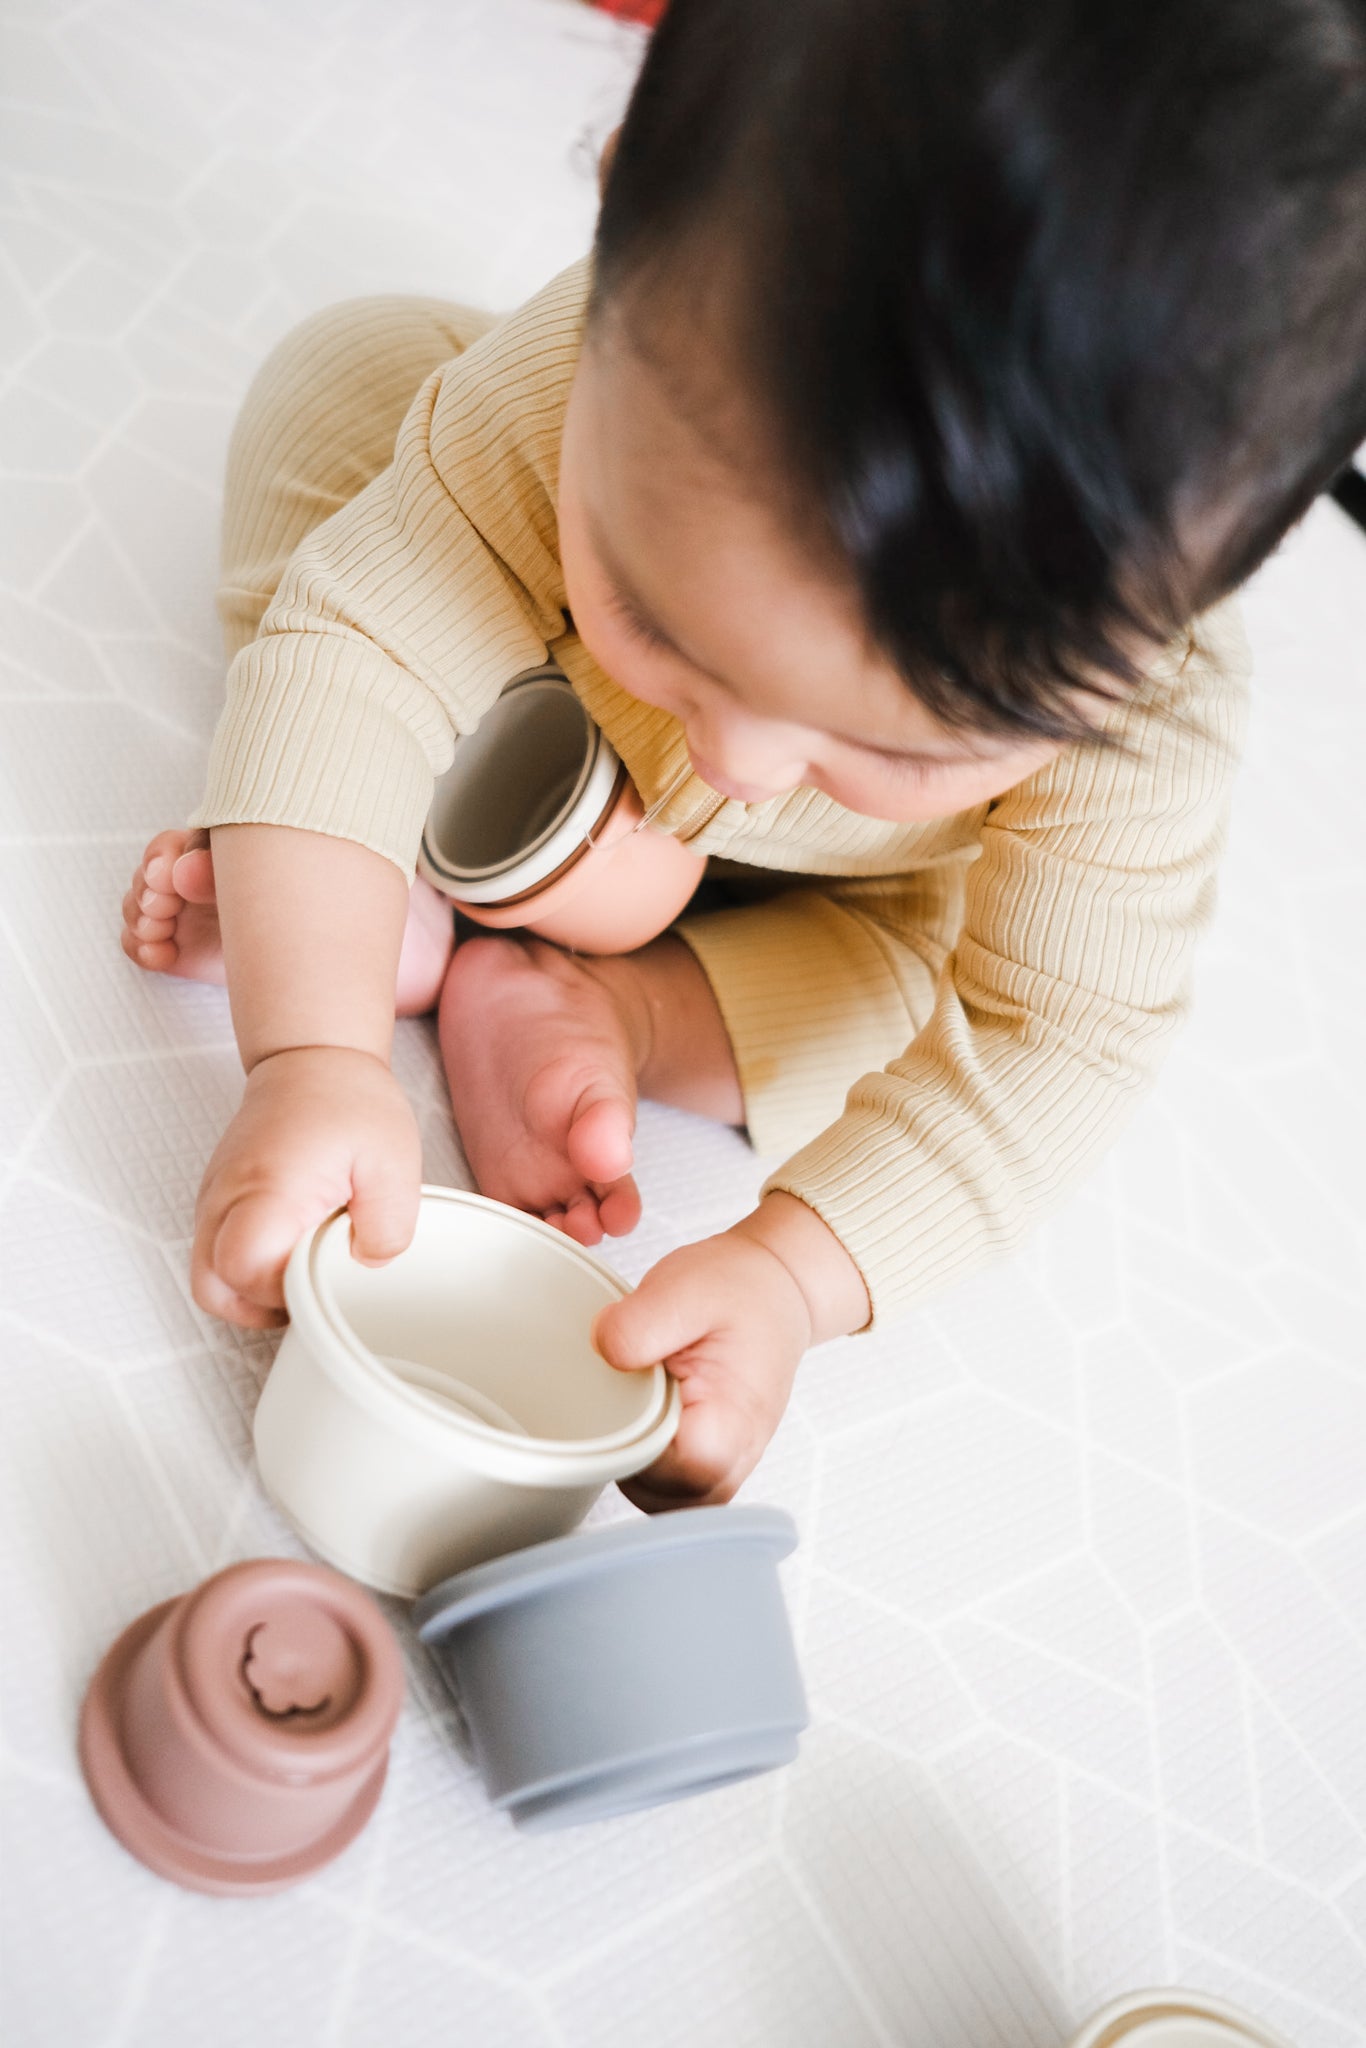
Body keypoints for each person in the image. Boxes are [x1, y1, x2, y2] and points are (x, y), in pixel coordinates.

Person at [119, 0, 1366, 1509]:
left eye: (894, 743)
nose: (747, 758)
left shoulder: (1137, 722)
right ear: (625, 211)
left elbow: (1053, 1045)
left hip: (828, 904)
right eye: (660, 610)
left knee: (913, 997)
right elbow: (370, 632)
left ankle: (613, 1007)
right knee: (351, 381)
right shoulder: (577, 369)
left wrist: (790, 1273)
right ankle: (367, 859)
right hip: (522, 699)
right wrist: (311, 1056)